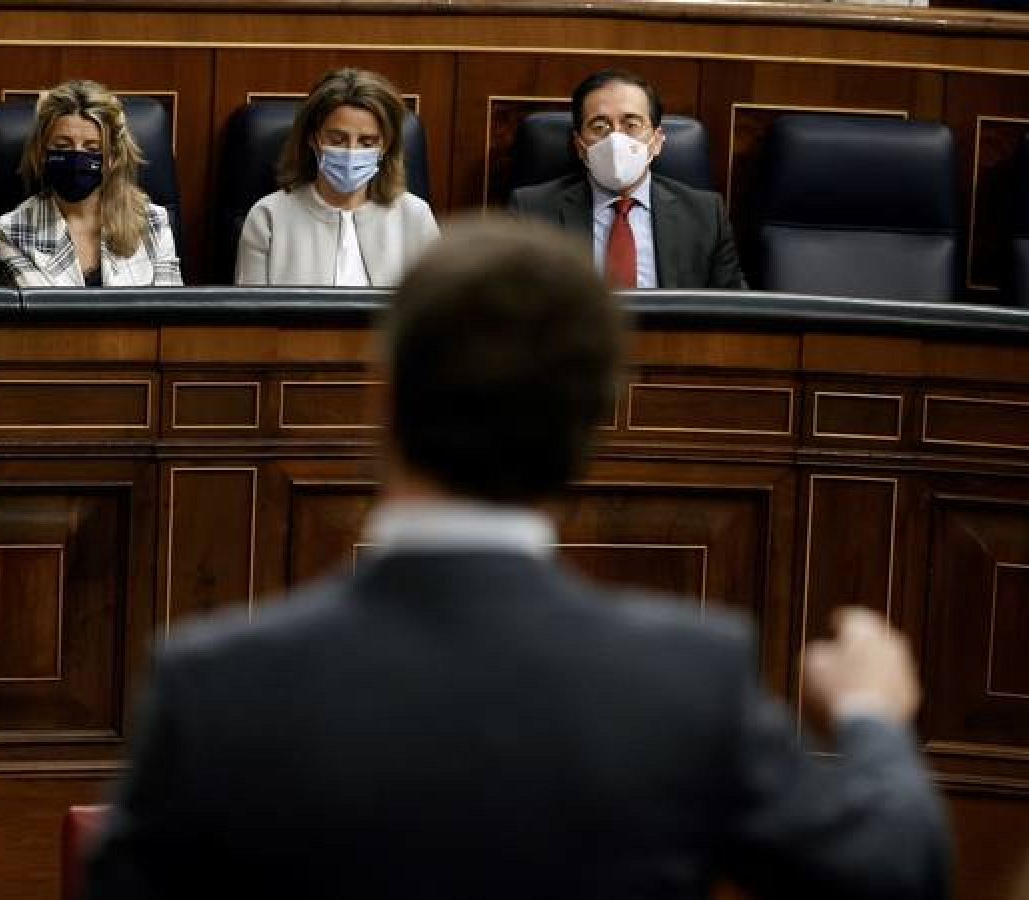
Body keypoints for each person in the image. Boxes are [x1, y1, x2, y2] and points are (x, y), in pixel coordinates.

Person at [85, 218, 948, 900]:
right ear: (593, 421)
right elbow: (893, 871)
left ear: (380, 398)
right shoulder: (689, 680)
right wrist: (871, 714)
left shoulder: (216, 686)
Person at [509, 69, 747, 290]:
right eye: (599, 126)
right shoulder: (532, 212)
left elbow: (733, 315)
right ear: (579, 146)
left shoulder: (705, 215)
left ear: (656, 140)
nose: (615, 138)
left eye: (632, 124)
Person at [235, 68, 439, 287]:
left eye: (367, 142)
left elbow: (435, 310)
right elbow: (253, 316)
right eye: (337, 140)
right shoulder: (269, 217)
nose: (351, 151)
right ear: (313, 139)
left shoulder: (415, 217)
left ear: (386, 146)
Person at [0, 80, 181, 287]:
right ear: (41, 152)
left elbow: (168, 311)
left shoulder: (152, 222)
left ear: (112, 157)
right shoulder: (12, 231)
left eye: (92, 149)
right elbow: (45, 314)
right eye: (63, 146)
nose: (77, 157)